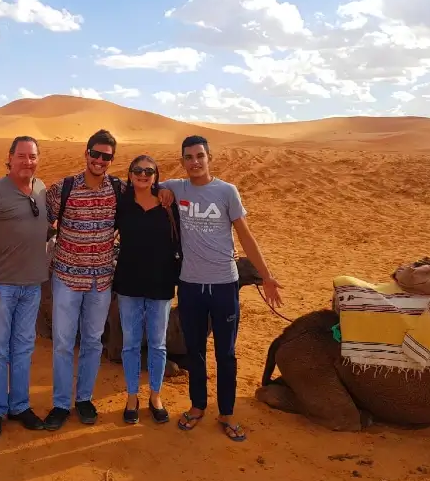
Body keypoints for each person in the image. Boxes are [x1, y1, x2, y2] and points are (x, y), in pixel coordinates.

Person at [43, 129, 175, 430]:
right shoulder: (62, 189)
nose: (100, 160)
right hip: (66, 278)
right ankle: (61, 404)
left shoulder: (117, 190)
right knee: (63, 343)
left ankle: (85, 399)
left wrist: (164, 188)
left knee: (92, 341)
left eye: (106, 156)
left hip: (101, 281)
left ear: (112, 160)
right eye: (96, 153)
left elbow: (148, 190)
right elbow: (37, 217)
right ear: (86, 153)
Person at [159, 135, 283, 442]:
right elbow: (152, 186)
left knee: (226, 354)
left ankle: (226, 412)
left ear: (209, 157)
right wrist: (163, 193)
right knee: (196, 351)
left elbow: (245, 236)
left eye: (200, 156)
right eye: (188, 157)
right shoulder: (177, 187)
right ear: (182, 161)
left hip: (224, 285)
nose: (195, 162)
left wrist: (266, 276)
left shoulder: (227, 192)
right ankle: (198, 406)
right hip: (189, 286)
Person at [0, 135, 51, 440]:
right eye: (22, 156)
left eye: (32, 157)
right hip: (0, 286)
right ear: (10, 158)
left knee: (24, 348)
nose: (27, 162)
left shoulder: (41, 189)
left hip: (32, 286)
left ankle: (19, 406)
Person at [113, 155, 181, 425]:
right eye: (138, 170)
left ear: (156, 175)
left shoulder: (167, 204)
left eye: (149, 171)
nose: (143, 174)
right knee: (130, 344)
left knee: (157, 343)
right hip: (129, 281)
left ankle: (155, 395)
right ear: (130, 174)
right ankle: (132, 396)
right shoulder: (122, 204)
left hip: (160, 282)